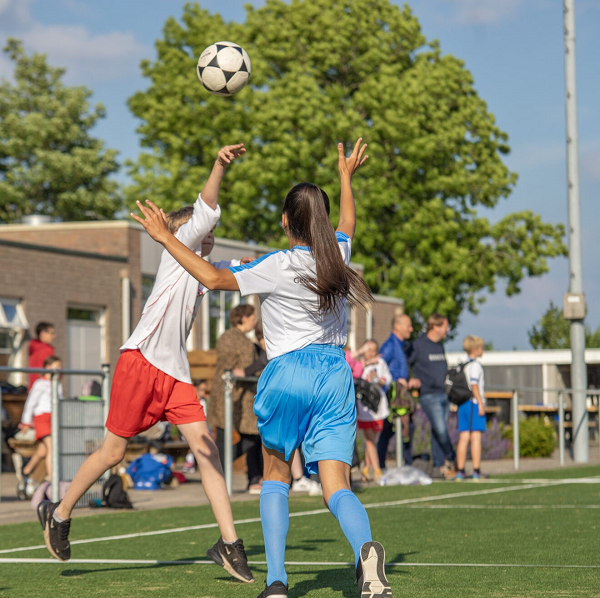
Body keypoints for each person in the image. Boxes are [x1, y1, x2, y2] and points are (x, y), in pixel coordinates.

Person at [132, 138, 393, 597]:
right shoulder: (340, 254)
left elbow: (212, 278)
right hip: (335, 375)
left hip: (288, 371)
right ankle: (365, 554)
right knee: (337, 484)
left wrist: (165, 237)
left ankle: (276, 581)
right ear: (324, 224)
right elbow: (348, 222)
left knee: (276, 475)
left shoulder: (277, 264)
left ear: (285, 221)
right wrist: (346, 177)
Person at [37, 144, 254, 584]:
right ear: (178, 234)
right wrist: (217, 165)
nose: (204, 233)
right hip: (139, 364)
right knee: (113, 452)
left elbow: (251, 267)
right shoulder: (176, 258)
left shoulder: (203, 269)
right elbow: (206, 210)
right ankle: (58, 514)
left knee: (207, 450)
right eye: (193, 229)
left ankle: (229, 544)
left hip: (174, 377)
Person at [209, 304, 260, 493]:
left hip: (219, 390)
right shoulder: (243, 342)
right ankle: (219, 475)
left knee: (222, 437)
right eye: (253, 318)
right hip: (239, 395)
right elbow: (247, 368)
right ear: (244, 318)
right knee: (252, 436)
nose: (254, 322)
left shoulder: (224, 336)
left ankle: (220, 479)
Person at [408, 313, 456, 480]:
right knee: (441, 430)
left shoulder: (439, 346)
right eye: (445, 326)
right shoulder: (418, 345)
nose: (448, 330)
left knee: (438, 431)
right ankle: (452, 457)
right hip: (428, 395)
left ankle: (438, 467)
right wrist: (409, 379)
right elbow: (404, 362)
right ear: (435, 326)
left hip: (444, 394)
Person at [377, 314, 414, 469]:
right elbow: (379, 368)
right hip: (391, 397)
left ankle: (405, 462)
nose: (411, 329)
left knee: (406, 427)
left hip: (399, 395)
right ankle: (381, 465)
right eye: (408, 326)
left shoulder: (401, 345)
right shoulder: (390, 346)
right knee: (388, 429)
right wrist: (393, 383)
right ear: (398, 326)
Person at [19, 356, 63, 487]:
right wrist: (26, 422)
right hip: (42, 418)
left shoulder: (58, 384)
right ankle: (52, 478)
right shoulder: (39, 384)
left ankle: (26, 470)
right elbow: (30, 403)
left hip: (53, 418)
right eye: (57, 365)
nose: (59, 369)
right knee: (51, 446)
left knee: (43, 450)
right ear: (48, 367)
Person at [354, 340, 391, 483]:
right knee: (370, 441)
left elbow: (388, 377)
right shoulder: (361, 364)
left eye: (373, 350)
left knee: (373, 440)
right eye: (367, 349)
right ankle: (377, 471)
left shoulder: (380, 363)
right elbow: (356, 378)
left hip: (377, 405)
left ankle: (366, 468)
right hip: (365, 406)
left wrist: (382, 380)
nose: (370, 353)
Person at [455, 336, 486, 481]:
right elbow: (474, 386)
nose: (482, 350)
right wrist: (480, 403)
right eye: (480, 347)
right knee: (475, 437)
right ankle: (476, 471)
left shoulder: (462, 364)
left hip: (462, 403)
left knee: (464, 436)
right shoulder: (475, 366)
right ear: (475, 349)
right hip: (473, 403)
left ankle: (460, 471)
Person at [182, 379, 209, 473]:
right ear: (195, 388)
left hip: (204, 429)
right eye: (202, 390)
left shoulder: (205, 401)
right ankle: (190, 461)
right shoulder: (190, 401)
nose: (203, 392)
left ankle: (193, 461)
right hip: (190, 428)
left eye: (205, 390)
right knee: (196, 438)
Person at [28, 322, 56, 389]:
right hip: (45, 388)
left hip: (34, 388)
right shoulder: (46, 350)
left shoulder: (34, 346)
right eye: (51, 333)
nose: (54, 336)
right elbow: (51, 370)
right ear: (43, 333)